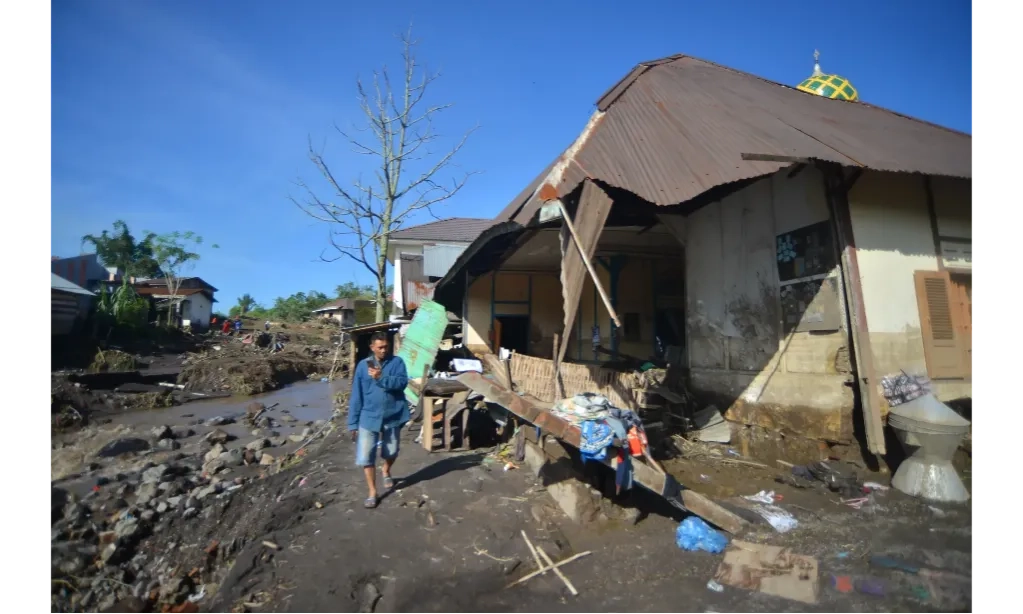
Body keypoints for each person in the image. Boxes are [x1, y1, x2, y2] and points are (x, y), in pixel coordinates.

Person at [347, 331, 409, 509]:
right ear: (372, 347)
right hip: (368, 416)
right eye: (380, 347)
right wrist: (353, 422)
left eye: (386, 346)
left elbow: (402, 383)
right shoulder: (362, 367)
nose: (383, 350)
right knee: (366, 456)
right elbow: (356, 395)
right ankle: (372, 492)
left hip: (392, 415)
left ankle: (386, 469)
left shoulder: (397, 363)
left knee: (392, 451)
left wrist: (381, 377)